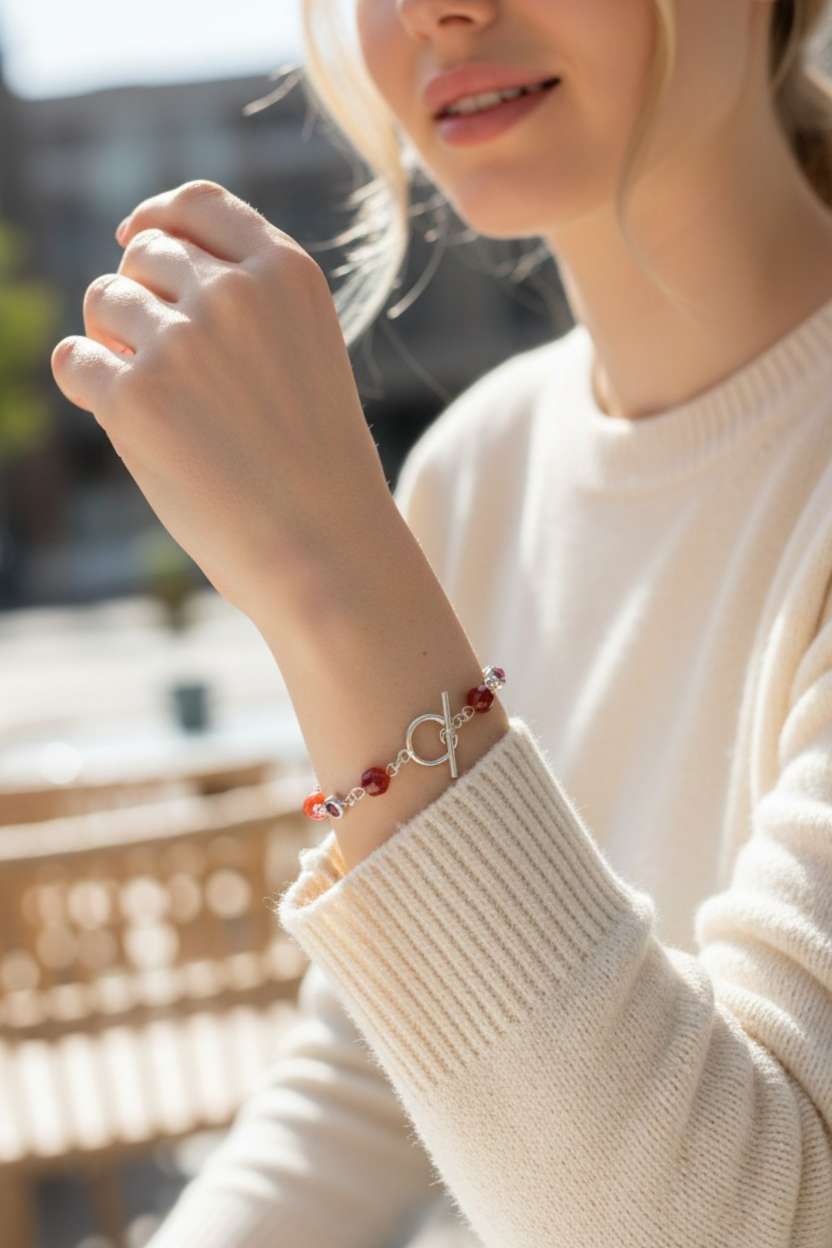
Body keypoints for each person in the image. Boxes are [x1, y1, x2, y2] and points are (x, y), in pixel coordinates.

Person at [51, 0, 832, 1244]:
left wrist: (331, 581)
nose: (433, 10)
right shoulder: (476, 473)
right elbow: (367, 1081)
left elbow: (751, 1213)